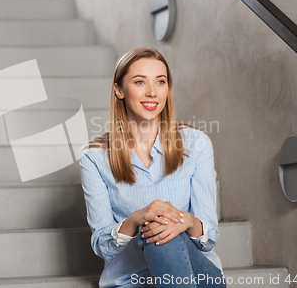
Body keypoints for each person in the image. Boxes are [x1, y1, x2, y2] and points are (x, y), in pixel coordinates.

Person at [78, 47, 227, 288]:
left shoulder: (197, 144)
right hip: (131, 281)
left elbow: (209, 238)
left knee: (162, 227)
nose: (152, 92)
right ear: (119, 90)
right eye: (139, 82)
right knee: (155, 226)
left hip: (197, 277)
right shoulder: (94, 157)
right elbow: (103, 246)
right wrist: (136, 218)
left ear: (168, 89)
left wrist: (186, 221)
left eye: (160, 82)